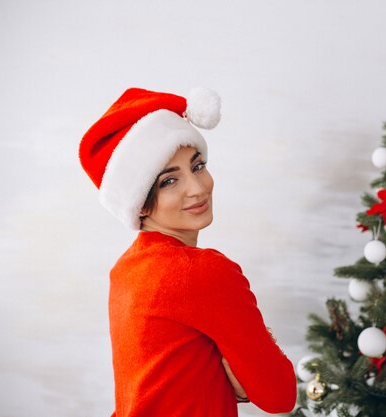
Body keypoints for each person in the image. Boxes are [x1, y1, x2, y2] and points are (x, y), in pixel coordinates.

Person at [78, 87, 297, 416]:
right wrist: (238, 372)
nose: (197, 189)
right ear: (138, 203)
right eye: (169, 181)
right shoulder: (205, 272)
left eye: (197, 166)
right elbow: (280, 394)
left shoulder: (126, 269)